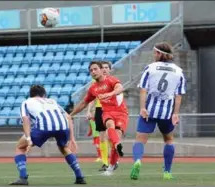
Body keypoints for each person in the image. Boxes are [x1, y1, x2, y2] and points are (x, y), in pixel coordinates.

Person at [130, 42, 186, 180]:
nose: (154, 55)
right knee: (168, 140)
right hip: (167, 113)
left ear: (160, 54)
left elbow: (143, 89)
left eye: (155, 52)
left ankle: (137, 161)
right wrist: (175, 113)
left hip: (149, 111)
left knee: (140, 140)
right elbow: (178, 95)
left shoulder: (150, 68)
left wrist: (143, 108)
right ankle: (167, 172)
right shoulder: (179, 71)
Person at [9, 85, 86, 185]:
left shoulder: (26, 102)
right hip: (62, 126)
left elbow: (25, 120)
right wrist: (72, 139)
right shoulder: (51, 101)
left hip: (44, 126)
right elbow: (68, 117)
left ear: (30, 95)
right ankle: (79, 176)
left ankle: (23, 177)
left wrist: (28, 139)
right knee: (64, 147)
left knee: (20, 147)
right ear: (44, 95)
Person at [70, 61, 128, 176]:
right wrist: (71, 114)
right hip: (107, 112)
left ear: (102, 70)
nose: (93, 72)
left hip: (121, 113)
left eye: (95, 69)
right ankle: (116, 146)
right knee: (109, 125)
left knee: (115, 138)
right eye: (91, 70)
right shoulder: (93, 88)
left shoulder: (111, 80)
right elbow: (83, 103)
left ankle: (111, 166)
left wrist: (110, 94)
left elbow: (120, 88)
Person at [86, 61, 118, 171]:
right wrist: (89, 111)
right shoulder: (94, 83)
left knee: (111, 136)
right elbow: (91, 99)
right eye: (102, 67)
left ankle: (114, 160)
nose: (104, 69)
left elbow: (119, 95)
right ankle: (105, 162)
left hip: (113, 109)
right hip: (100, 110)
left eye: (106, 67)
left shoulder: (113, 82)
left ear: (110, 69)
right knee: (102, 136)